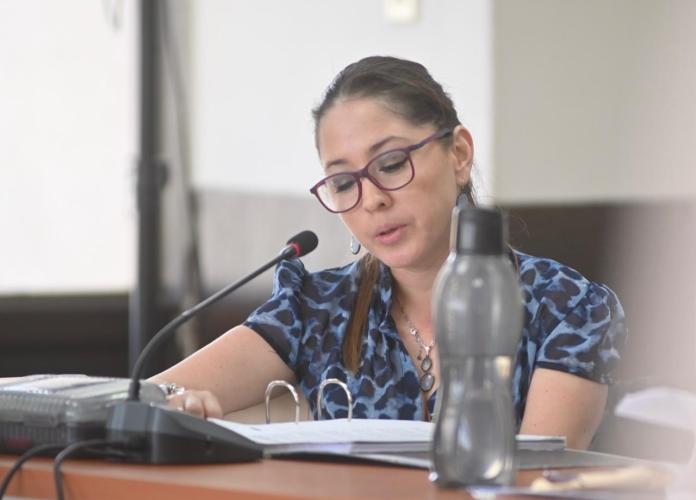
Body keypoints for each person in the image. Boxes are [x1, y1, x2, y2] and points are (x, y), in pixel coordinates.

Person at [151, 55, 626, 449]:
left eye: (392, 164)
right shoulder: (316, 307)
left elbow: (532, 483)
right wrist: (176, 405)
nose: (373, 198)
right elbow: (141, 397)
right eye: (343, 182)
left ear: (458, 153)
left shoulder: (566, 309)